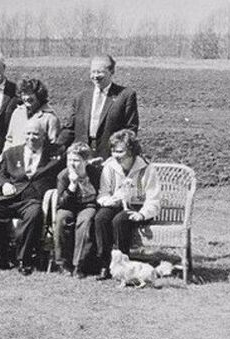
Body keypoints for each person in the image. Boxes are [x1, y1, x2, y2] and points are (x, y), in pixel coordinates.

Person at [0, 120, 64, 275]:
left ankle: (24, 259)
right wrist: (4, 185)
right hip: (10, 197)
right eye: (28, 133)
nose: (31, 137)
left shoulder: (56, 153)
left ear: (44, 136)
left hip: (34, 199)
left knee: (34, 215)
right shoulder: (11, 153)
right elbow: (0, 174)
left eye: (36, 134)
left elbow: (72, 162)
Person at [94, 130, 160, 280]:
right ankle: (105, 264)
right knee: (101, 218)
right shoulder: (110, 166)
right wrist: (109, 201)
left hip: (140, 208)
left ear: (131, 150)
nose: (115, 155)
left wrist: (142, 214)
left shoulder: (146, 168)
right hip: (116, 204)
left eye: (120, 151)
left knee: (120, 220)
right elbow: (103, 192)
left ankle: (123, 265)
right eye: (113, 150)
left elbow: (153, 199)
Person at [59, 54, 139, 160]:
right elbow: (70, 128)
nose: (95, 76)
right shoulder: (81, 98)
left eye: (100, 72)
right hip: (82, 157)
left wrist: (119, 153)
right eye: (93, 72)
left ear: (112, 72)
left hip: (110, 156)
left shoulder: (125, 95)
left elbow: (130, 129)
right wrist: (57, 146)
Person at [54, 142, 102, 278]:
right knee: (62, 219)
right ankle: (62, 263)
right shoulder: (63, 175)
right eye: (69, 160)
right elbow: (62, 202)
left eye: (76, 160)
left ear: (86, 161)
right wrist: (72, 185)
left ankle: (79, 265)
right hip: (68, 206)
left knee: (85, 221)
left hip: (89, 205)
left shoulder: (94, 173)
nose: (72, 164)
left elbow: (101, 193)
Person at [3, 78, 61, 151]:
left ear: (39, 94)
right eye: (23, 94)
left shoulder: (50, 117)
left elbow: (53, 145)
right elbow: (9, 140)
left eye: (30, 93)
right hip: (16, 159)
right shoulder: (17, 113)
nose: (27, 97)